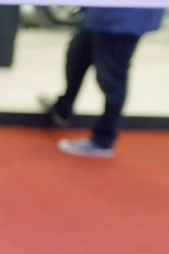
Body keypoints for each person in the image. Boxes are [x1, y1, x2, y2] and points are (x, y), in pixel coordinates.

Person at [39, 7, 164, 158]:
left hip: (123, 18)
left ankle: (103, 140)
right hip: (101, 13)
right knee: (77, 53)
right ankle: (63, 109)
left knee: (111, 77)